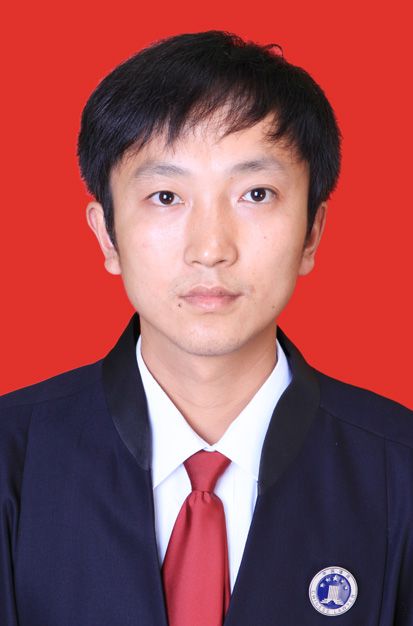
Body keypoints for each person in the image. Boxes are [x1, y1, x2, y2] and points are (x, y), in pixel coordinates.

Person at [1, 30, 412, 626]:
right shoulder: (13, 460)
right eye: (166, 196)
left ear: (311, 233)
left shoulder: (399, 471)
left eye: (256, 193)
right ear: (107, 235)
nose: (211, 248)